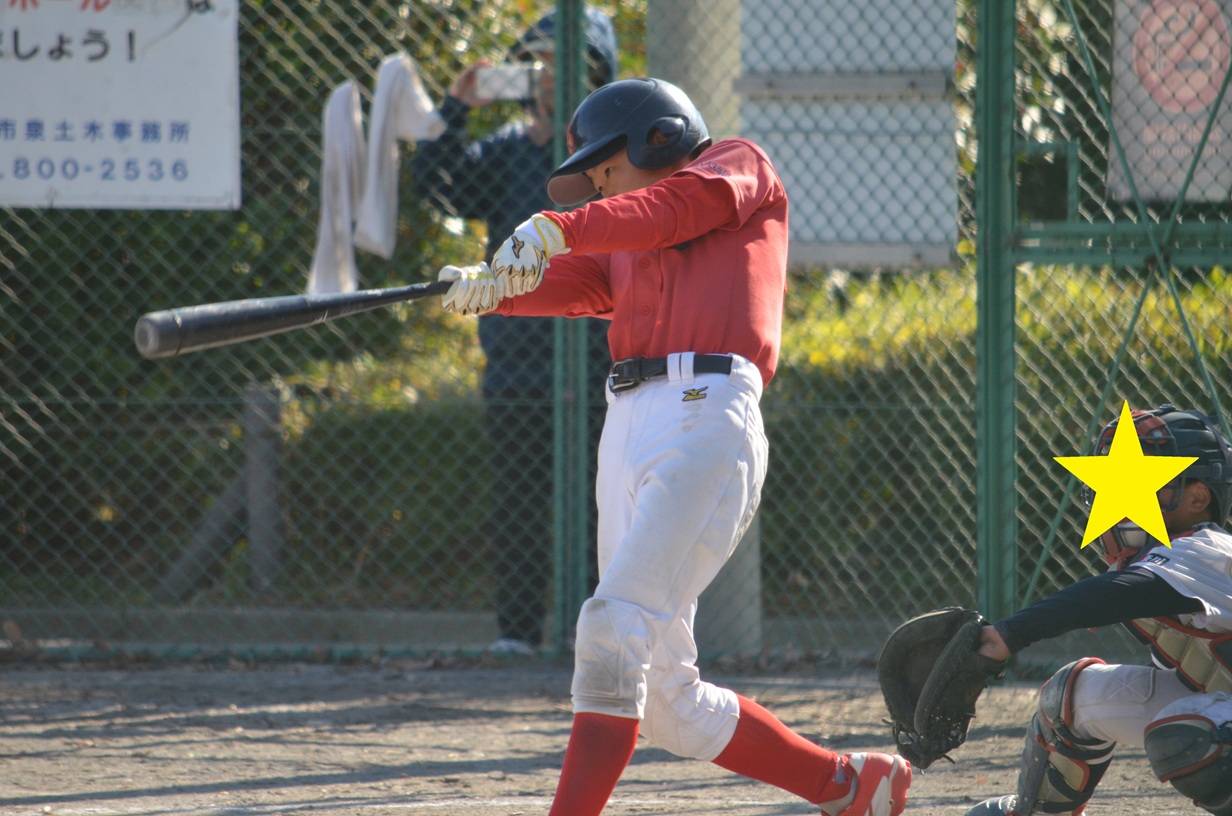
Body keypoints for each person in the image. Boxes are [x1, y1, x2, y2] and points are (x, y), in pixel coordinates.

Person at [437, 76, 912, 816]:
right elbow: (583, 281)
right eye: (591, 178)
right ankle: (849, 786)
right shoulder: (626, 239)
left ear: (656, 136)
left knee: (610, 629)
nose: (597, 186)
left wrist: (563, 226)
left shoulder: (735, 166)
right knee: (666, 702)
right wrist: (495, 287)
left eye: (606, 167)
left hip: (705, 411)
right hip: (627, 421)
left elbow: (671, 210)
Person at [411, 7, 617, 655]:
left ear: (600, 77)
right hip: (518, 361)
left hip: (598, 361)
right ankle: (519, 634)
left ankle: (595, 633)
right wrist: (454, 108)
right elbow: (438, 188)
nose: (553, 78)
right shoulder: (507, 150)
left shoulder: (614, 161)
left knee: (602, 504)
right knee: (520, 502)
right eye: (542, 64)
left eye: (571, 67)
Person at [964, 404, 1232, 816]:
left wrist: (1007, 635)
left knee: (1192, 733)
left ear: (1199, 497)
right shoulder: (1156, 558)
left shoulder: (1207, 550)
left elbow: (1124, 592)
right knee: (1071, 696)